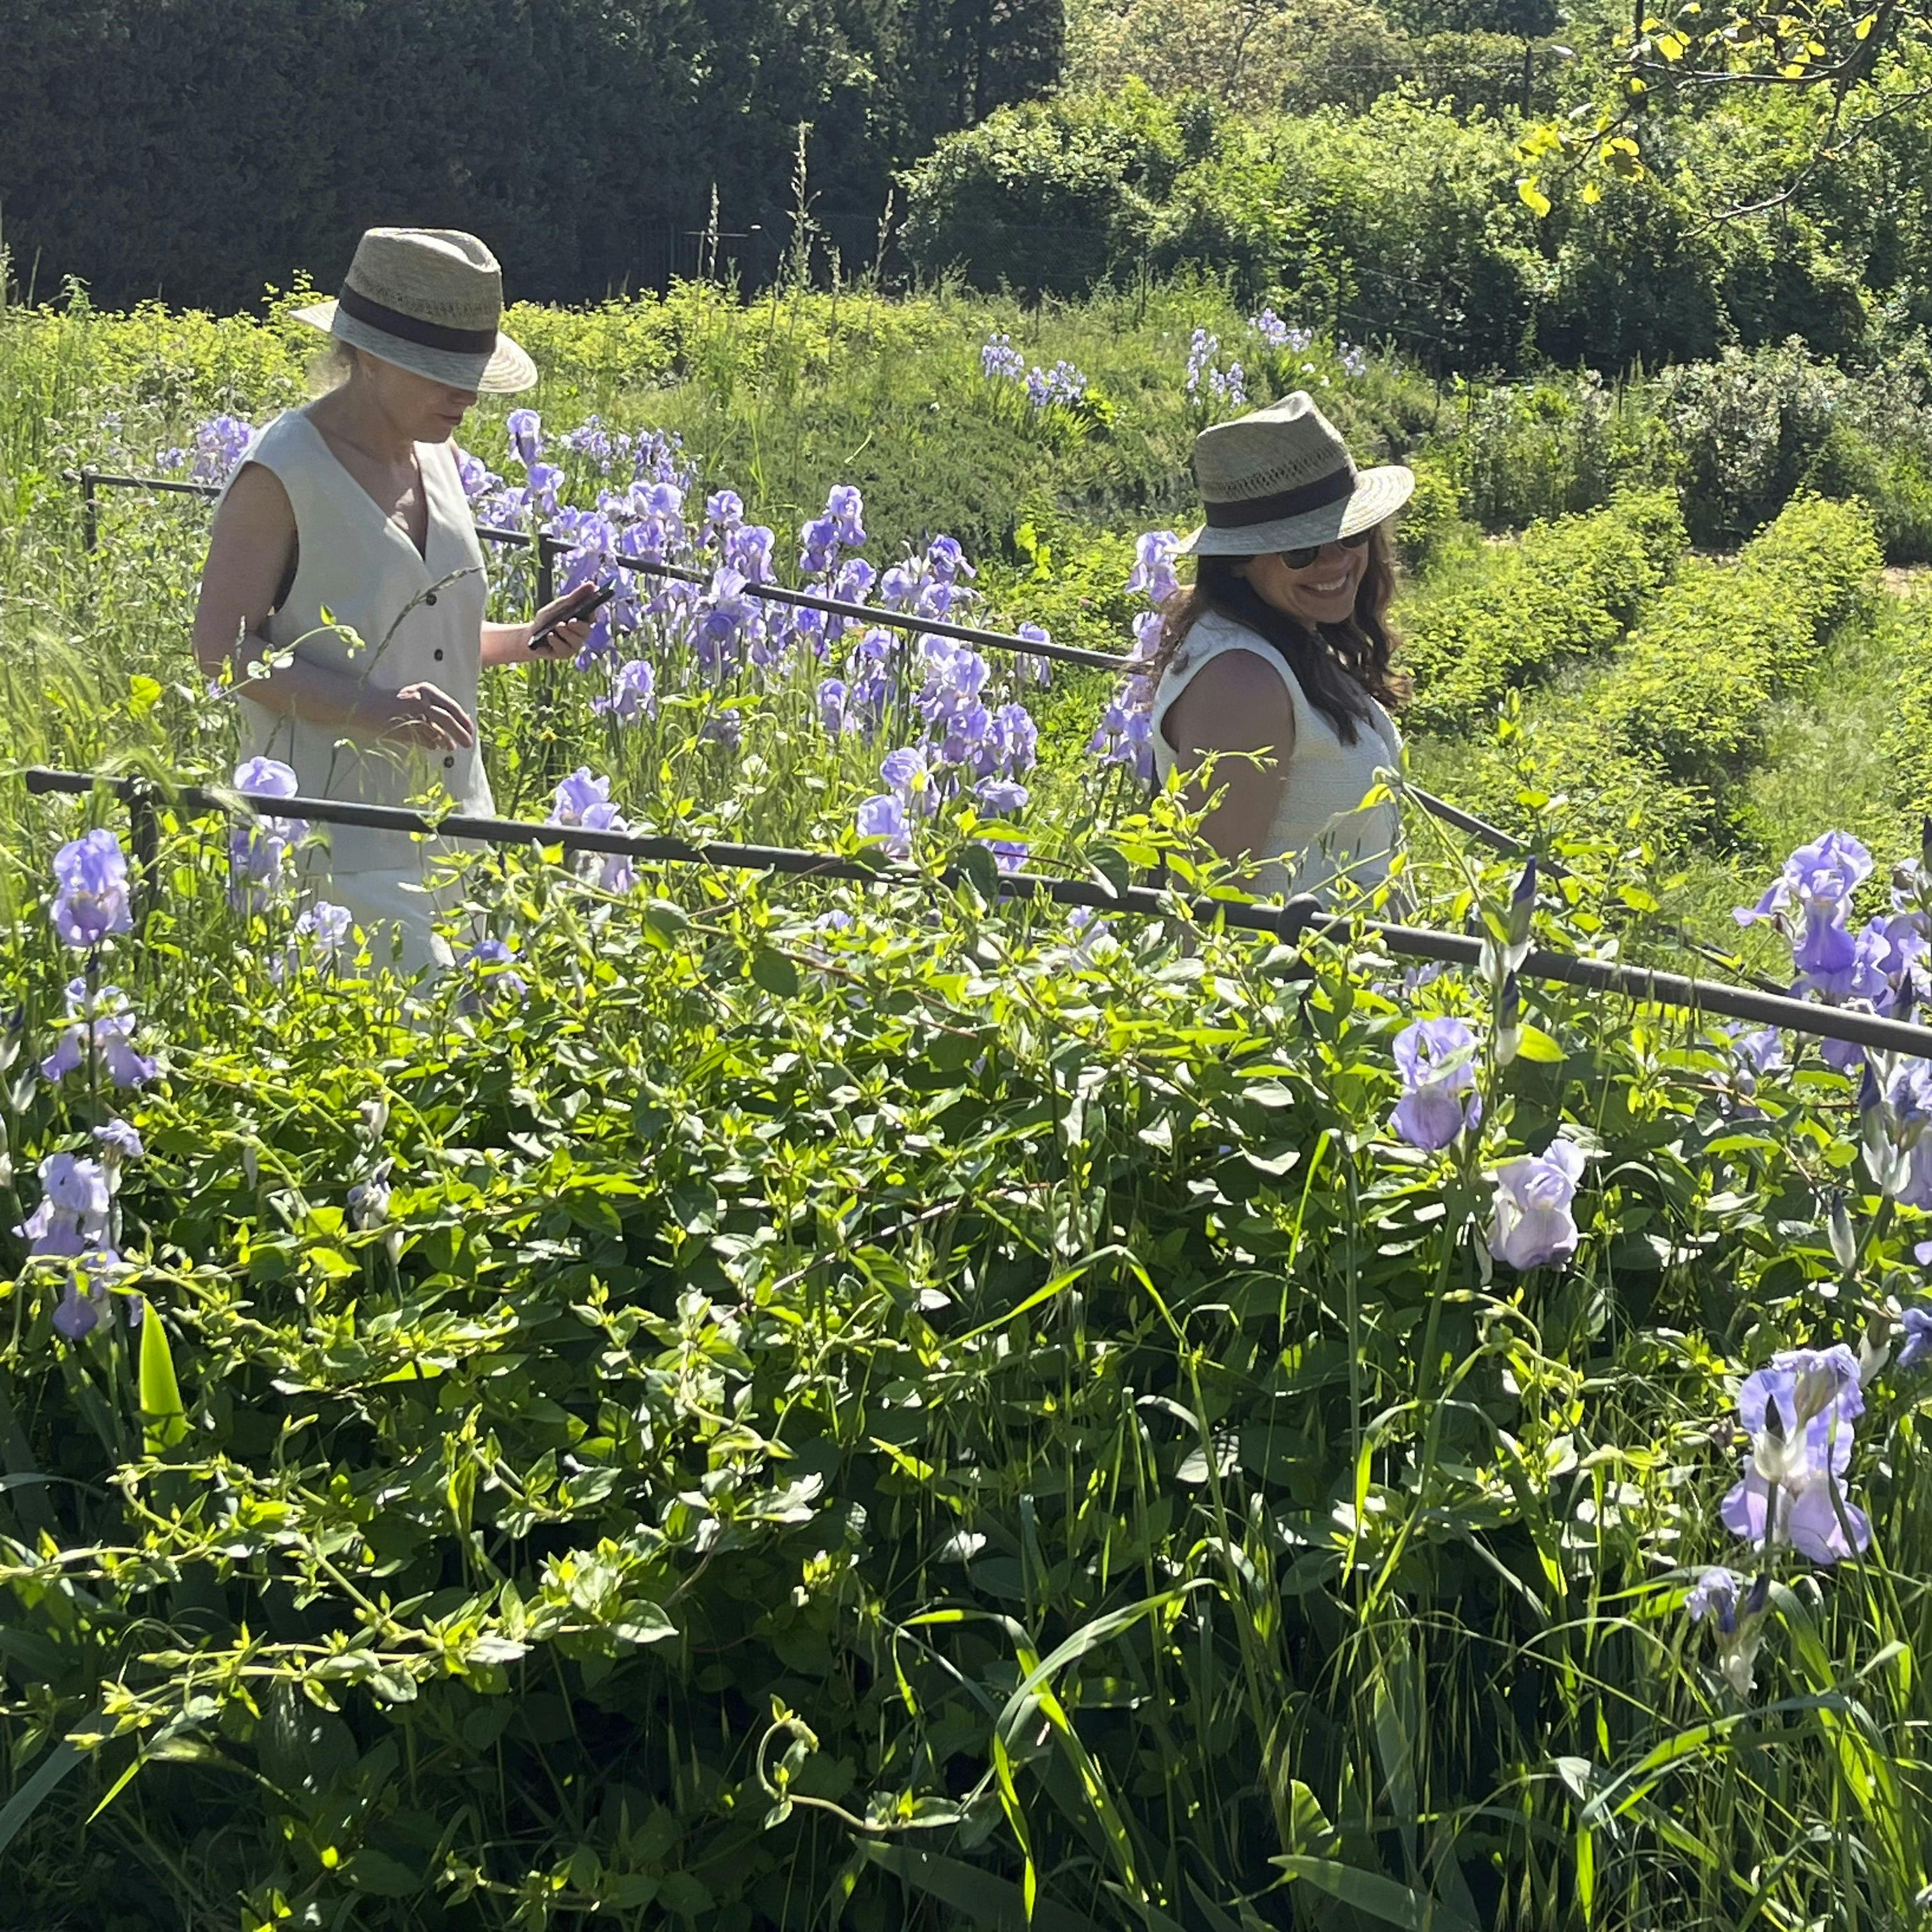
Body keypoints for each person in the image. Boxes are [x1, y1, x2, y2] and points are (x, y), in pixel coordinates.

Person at [192, 226, 601, 977]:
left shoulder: (437, 457)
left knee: (477, 1040)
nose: (465, 395)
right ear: (371, 355)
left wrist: (521, 639)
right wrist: (372, 710)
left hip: (460, 831)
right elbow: (221, 650)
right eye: (442, 373)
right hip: (336, 845)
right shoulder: (282, 472)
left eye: (472, 372)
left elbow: (417, 634)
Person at [1147, 391, 1413, 903]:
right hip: (1298, 958)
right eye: (1300, 549)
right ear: (1238, 560)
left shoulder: (1287, 639)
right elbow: (1209, 907)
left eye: (1351, 534)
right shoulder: (1241, 686)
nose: (1335, 561)